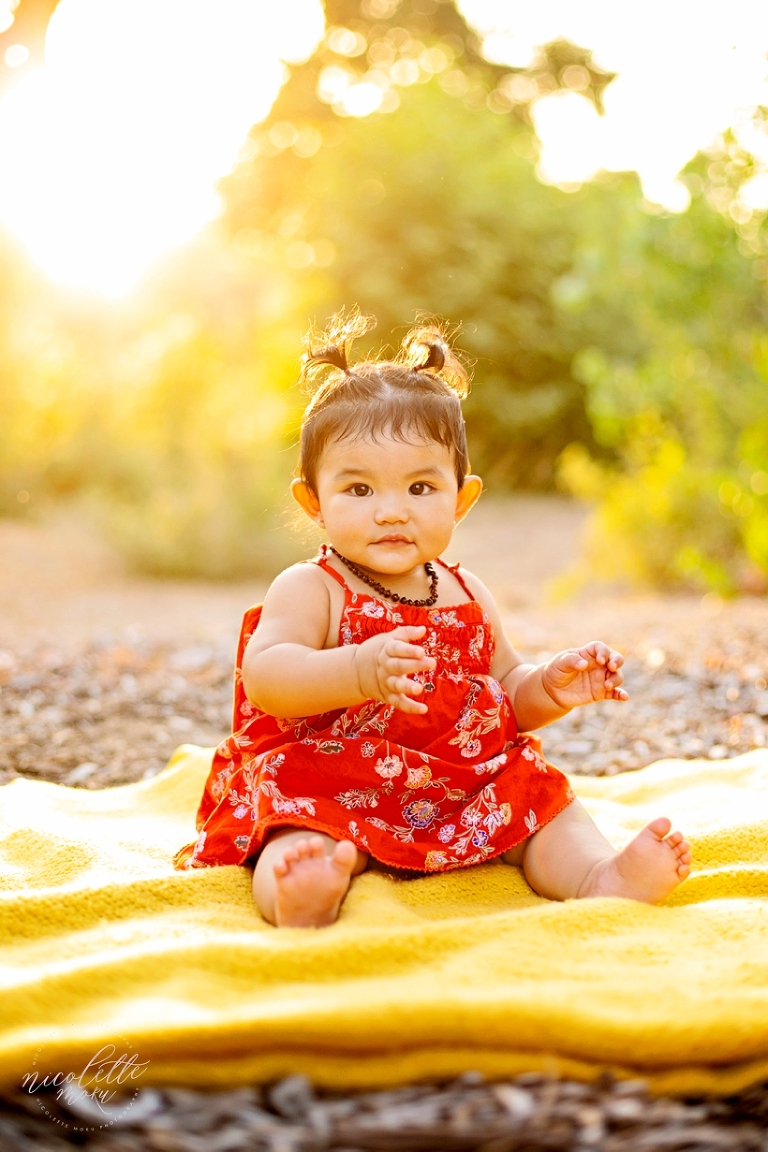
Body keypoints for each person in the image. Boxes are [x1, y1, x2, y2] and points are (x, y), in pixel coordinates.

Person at [173, 311, 692, 927]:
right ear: (313, 501)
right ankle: (299, 889)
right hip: (339, 780)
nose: (391, 512)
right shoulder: (313, 587)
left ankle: (597, 876)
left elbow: (508, 692)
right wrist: (358, 669)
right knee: (294, 817)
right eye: (359, 491)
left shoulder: (466, 590)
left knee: (536, 792)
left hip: (459, 785)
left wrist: (551, 686)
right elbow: (266, 677)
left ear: (461, 499)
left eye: (420, 488)